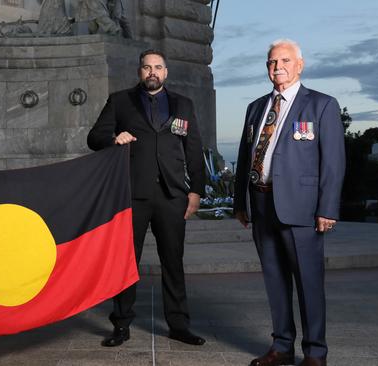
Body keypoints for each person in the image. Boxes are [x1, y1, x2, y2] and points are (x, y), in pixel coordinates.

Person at [233, 39, 345, 366]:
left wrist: (328, 207)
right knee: (275, 280)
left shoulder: (321, 105)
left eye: (284, 60)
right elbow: (245, 157)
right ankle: (282, 347)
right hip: (261, 204)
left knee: (308, 282)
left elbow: (334, 162)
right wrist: (241, 201)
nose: (277, 67)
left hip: (302, 209)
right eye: (271, 62)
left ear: (300, 65)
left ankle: (315, 353)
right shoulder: (256, 107)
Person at [87, 49, 206, 347]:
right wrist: (113, 139)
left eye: (158, 67)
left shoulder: (184, 105)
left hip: (172, 194)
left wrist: (195, 192)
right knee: (126, 262)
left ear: (166, 72)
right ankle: (121, 325)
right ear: (139, 72)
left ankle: (178, 325)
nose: (152, 72)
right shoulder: (120, 101)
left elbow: (194, 151)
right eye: (146, 67)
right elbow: (93, 137)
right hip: (131, 194)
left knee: (173, 261)